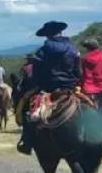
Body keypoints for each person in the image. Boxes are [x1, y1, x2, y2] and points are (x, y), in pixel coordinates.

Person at [17, 20, 81, 155]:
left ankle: (27, 143)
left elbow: (37, 73)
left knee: (30, 114)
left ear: (47, 35)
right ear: (61, 32)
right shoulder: (74, 49)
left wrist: (37, 84)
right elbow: (78, 72)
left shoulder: (44, 50)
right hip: (71, 88)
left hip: (49, 88)